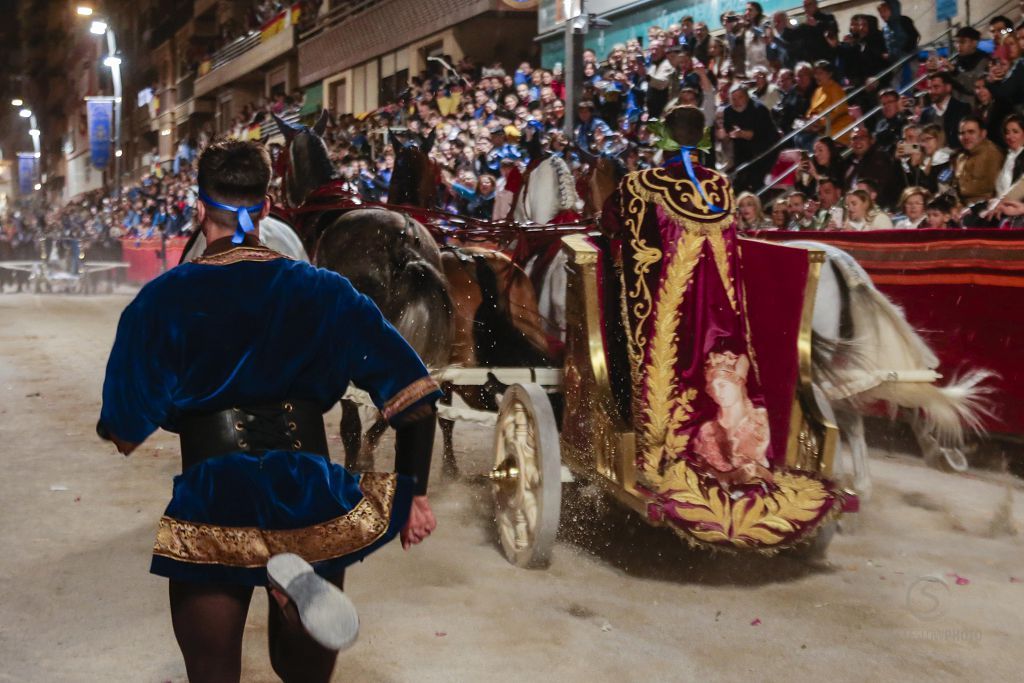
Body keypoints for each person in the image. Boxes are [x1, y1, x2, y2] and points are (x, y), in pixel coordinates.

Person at [97, 140, 441, 683]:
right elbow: (415, 398)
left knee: (213, 673)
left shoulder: (161, 301)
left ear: (198, 206)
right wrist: (414, 492)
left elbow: (121, 427)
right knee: (301, 673)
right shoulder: (328, 292)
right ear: (266, 207)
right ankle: (293, 595)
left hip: (215, 493)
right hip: (308, 492)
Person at [722, 85, 780, 193]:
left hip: (763, 151)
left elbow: (763, 133)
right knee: (739, 182)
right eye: (733, 99)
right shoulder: (728, 111)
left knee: (758, 182)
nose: (736, 101)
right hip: (741, 150)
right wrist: (734, 133)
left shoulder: (758, 109)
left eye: (740, 97)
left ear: (747, 97)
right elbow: (728, 129)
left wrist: (743, 134)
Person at [953, 115, 1004, 206]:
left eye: (971, 132)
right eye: (962, 133)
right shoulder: (961, 156)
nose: (966, 137)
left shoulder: (992, 153)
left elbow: (987, 188)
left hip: (984, 208)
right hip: (962, 207)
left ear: (983, 133)